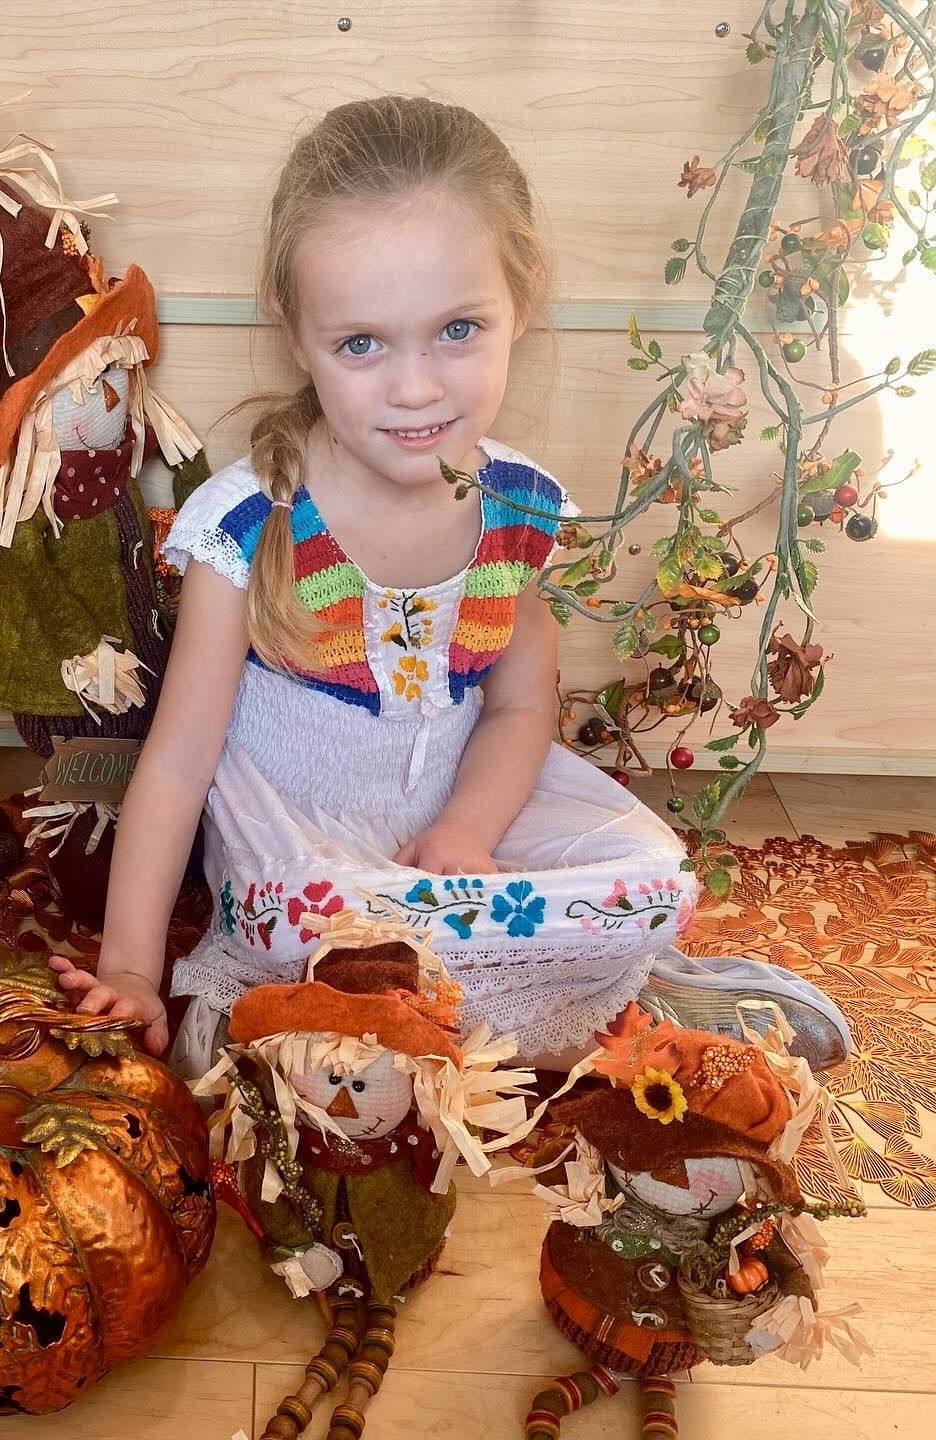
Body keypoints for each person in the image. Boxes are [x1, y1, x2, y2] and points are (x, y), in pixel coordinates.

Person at [51, 95, 849, 1074]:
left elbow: (519, 710)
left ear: (521, 305)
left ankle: (611, 998)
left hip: (461, 828)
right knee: (305, 929)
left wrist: (468, 829)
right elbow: (178, 765)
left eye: (458, 330)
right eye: (362, 344)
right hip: (304, 848)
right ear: (295, 334)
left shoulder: (518, 509)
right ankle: (528, 1017)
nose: (417, 388)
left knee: (649, 877)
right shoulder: (251, 525)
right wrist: (131, 969)